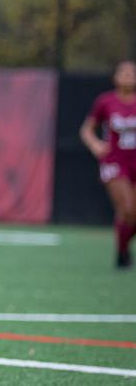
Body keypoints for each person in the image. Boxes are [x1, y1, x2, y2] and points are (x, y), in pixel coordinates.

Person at [79, 60, 136, 268]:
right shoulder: (106, 101)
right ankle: (122, 252)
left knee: (133, 215)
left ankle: (123, 248)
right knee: (127, 208)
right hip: (115, 161)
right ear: (115, 77)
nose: (129, 76)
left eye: (132, 73)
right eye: (124, 72)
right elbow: (86, 129)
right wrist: (95, 145)